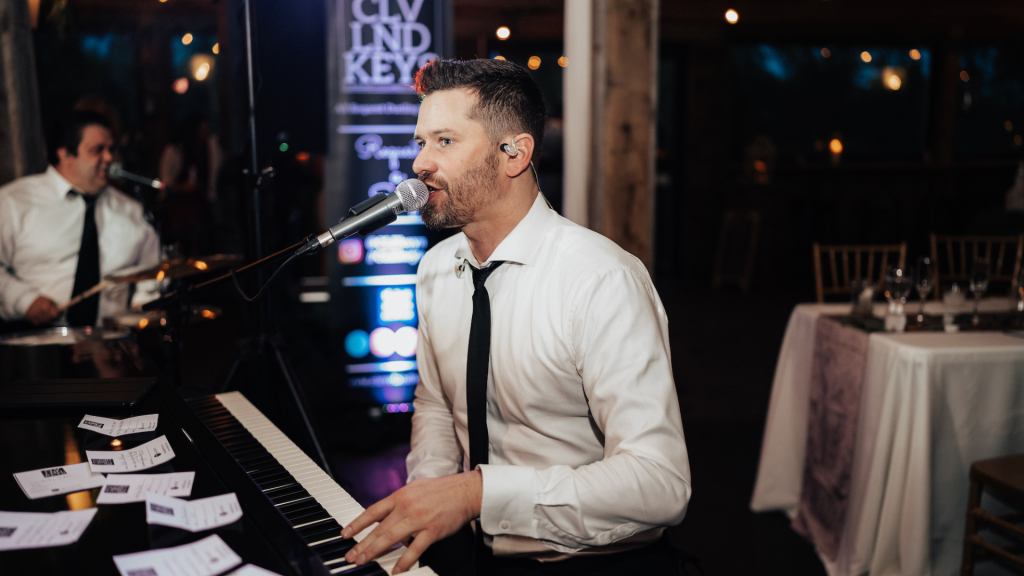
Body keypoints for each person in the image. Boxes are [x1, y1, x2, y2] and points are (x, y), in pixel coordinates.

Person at [339, 59, 691, 575]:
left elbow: (661, 484)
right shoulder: (436, 267)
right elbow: (436, 404)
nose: (419, 163)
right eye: (420, 143)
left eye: (444, 141)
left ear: (514, 154)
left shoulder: (601, 280)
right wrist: (431, 498)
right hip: (468, 552)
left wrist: (478, 493)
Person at [0, 110, 160, 329]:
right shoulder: (13, 202)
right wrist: (24, 300)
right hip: (35, 341)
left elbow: (153, 268)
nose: (109, 158)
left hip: (110, 341)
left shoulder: (131, 211)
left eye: (111, 150)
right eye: (97, 150)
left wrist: (141, 308)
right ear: (65, 154)